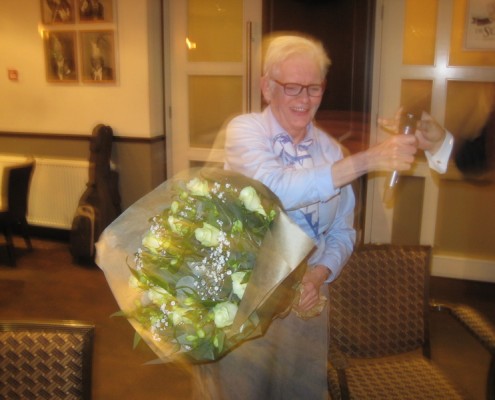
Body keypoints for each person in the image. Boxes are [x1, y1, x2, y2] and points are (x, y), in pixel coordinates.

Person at [193, 33, 451, 400]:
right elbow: (273, 189)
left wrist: (319, 274)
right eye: (292, 87)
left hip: (305, 302)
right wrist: (368, 159)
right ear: (267, 88)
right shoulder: (245, 131)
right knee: (237, 391)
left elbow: (344, 231)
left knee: (296, 390)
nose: (304, 99)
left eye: (313, 88)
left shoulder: (332, 152)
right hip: (241, 299)